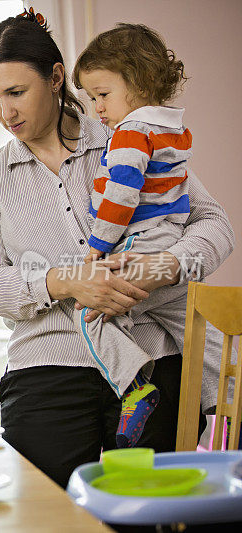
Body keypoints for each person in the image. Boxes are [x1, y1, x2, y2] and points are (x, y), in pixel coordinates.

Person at [0, 9, 233, 487]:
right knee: (51, 511)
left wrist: (167, 266)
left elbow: (214, 225)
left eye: (15, 93)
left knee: (147, 505)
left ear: (54, 78)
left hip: (152, 357)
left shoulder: (130, 137)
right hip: (47, 365)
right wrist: (67, 282)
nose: (4, 113)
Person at [67, 23, 224, 449]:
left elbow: (120, 197)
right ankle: (228, 404)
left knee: (90, 313)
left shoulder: (129, 133)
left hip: (139, 245)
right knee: (195, 329)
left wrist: (98, 249)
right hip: (171, 242)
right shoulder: (171, 128)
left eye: (102, 94)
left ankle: (135, 386)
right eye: (90, 98)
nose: (97, 108)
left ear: (137, 84)